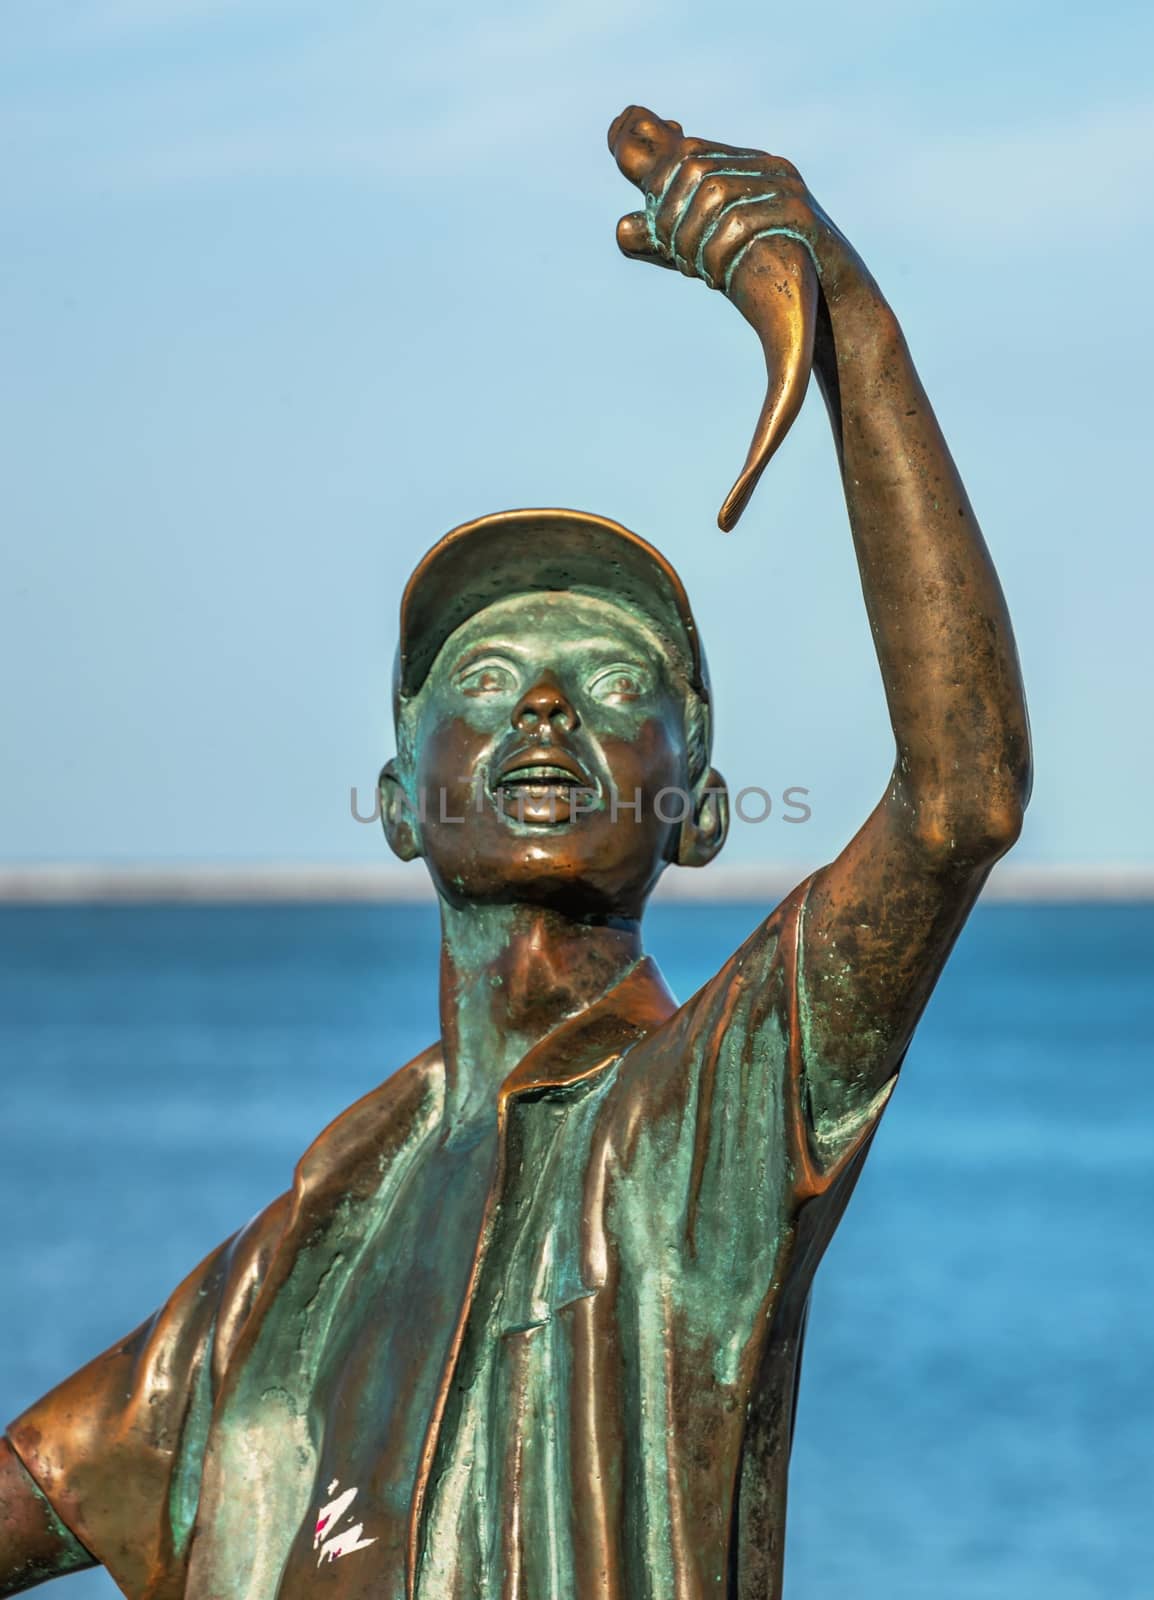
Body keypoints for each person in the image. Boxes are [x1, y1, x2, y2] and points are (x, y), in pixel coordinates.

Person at [0, 108, 1031, 1600]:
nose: (543, 710)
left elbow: (960, 801)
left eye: (616, 687)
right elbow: (40, 1485)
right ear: (400, 798)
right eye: (484, 682)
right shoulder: (314, 1235)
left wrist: (851, 323)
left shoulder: (699, 1126)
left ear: (701, 808)